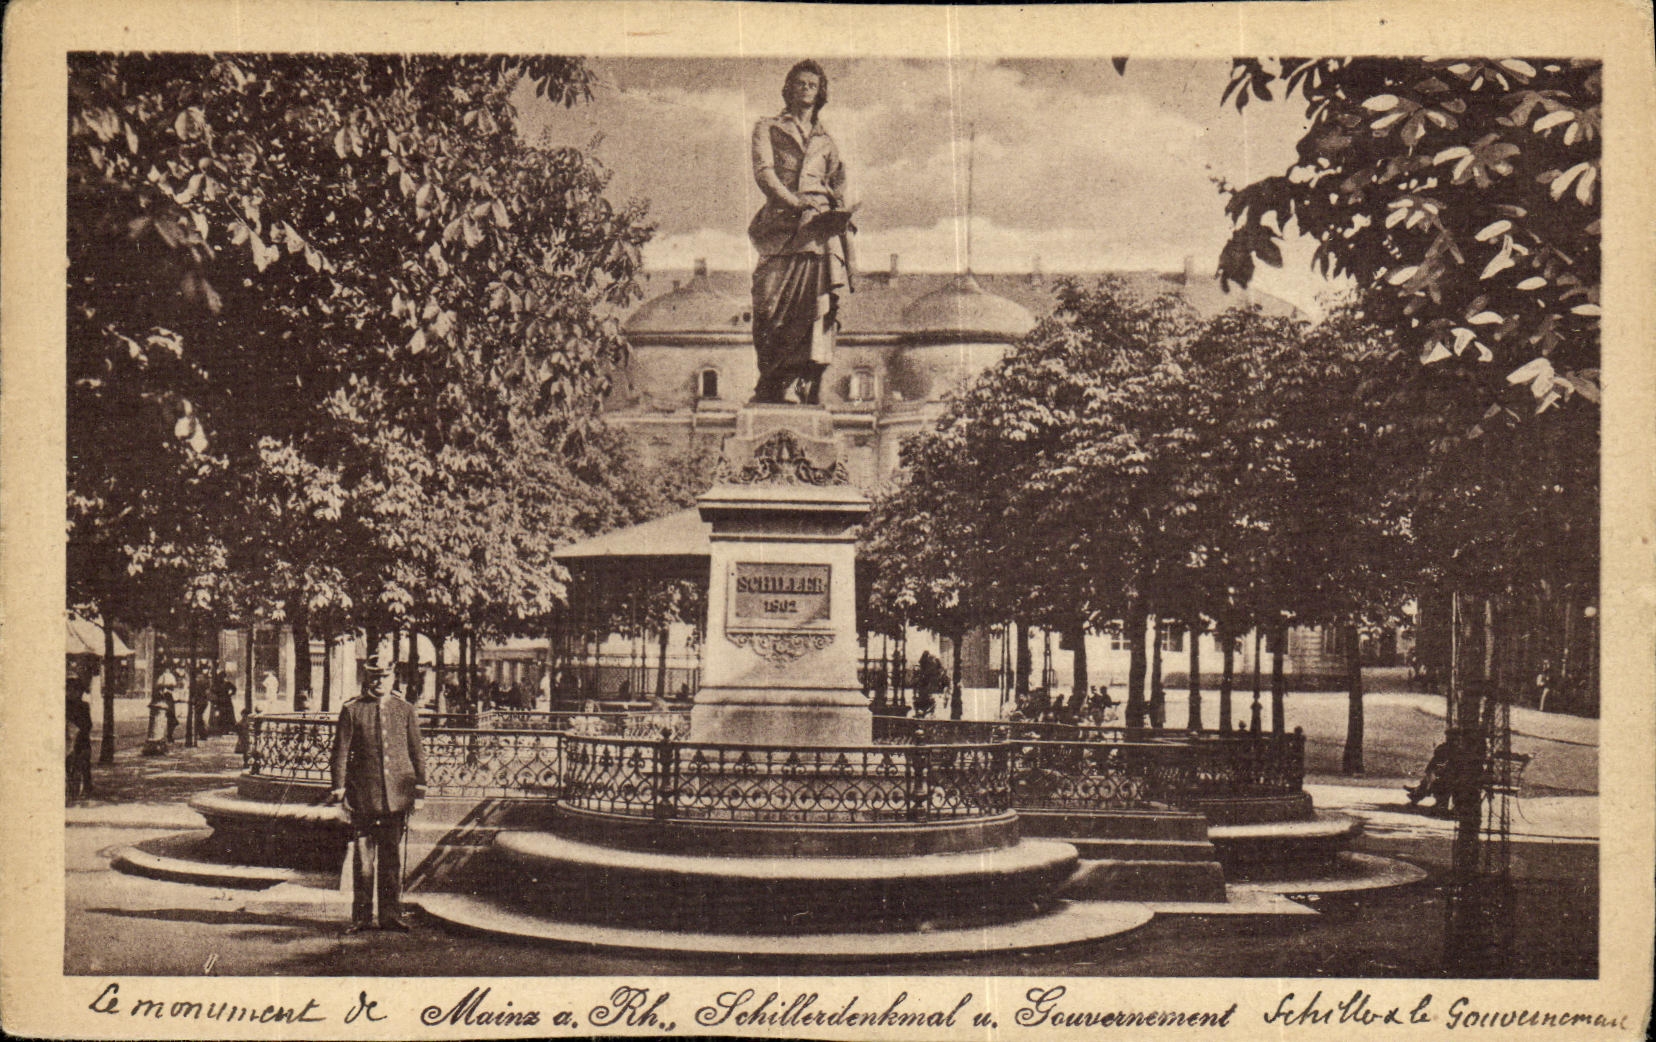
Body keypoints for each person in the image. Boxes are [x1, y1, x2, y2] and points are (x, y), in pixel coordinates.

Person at [748, 60, 854, 405]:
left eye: (812, 84)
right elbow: (764, 173)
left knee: (814, 309)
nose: (806, 88)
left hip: (819, 231)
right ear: (788, 88)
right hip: (781, 225)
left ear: (820, 92)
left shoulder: (827, 140)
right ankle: (770, 381)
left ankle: (798, 383)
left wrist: (842, 207)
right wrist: (794, 204)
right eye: (800, 83)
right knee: (768, 305)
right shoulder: (768, 127)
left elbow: (839, 181)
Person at [330, 657, 427, 932]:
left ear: (393, 678)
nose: (380, 681)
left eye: (385, 676)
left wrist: (419, 791)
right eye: (374, 677)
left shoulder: (405, 709)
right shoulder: (352, 710)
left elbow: (417, 752)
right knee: (364, 863)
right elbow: (339, 753)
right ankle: (361, 918)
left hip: (396, 797)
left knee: (391, 861)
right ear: (367, 678)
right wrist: (339, 791)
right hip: (363, 798)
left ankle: (390, 915)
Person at [66, 675, 95, 798]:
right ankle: (72, 791)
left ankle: (85, 789)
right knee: (70, 766)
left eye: (77, 690)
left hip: (81, 741)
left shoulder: (84, 706)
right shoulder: (64, 705)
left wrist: (80, 730)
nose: (74, 693)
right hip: (68, 741)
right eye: (70, 690)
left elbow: (88, 724)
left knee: (83, 765)